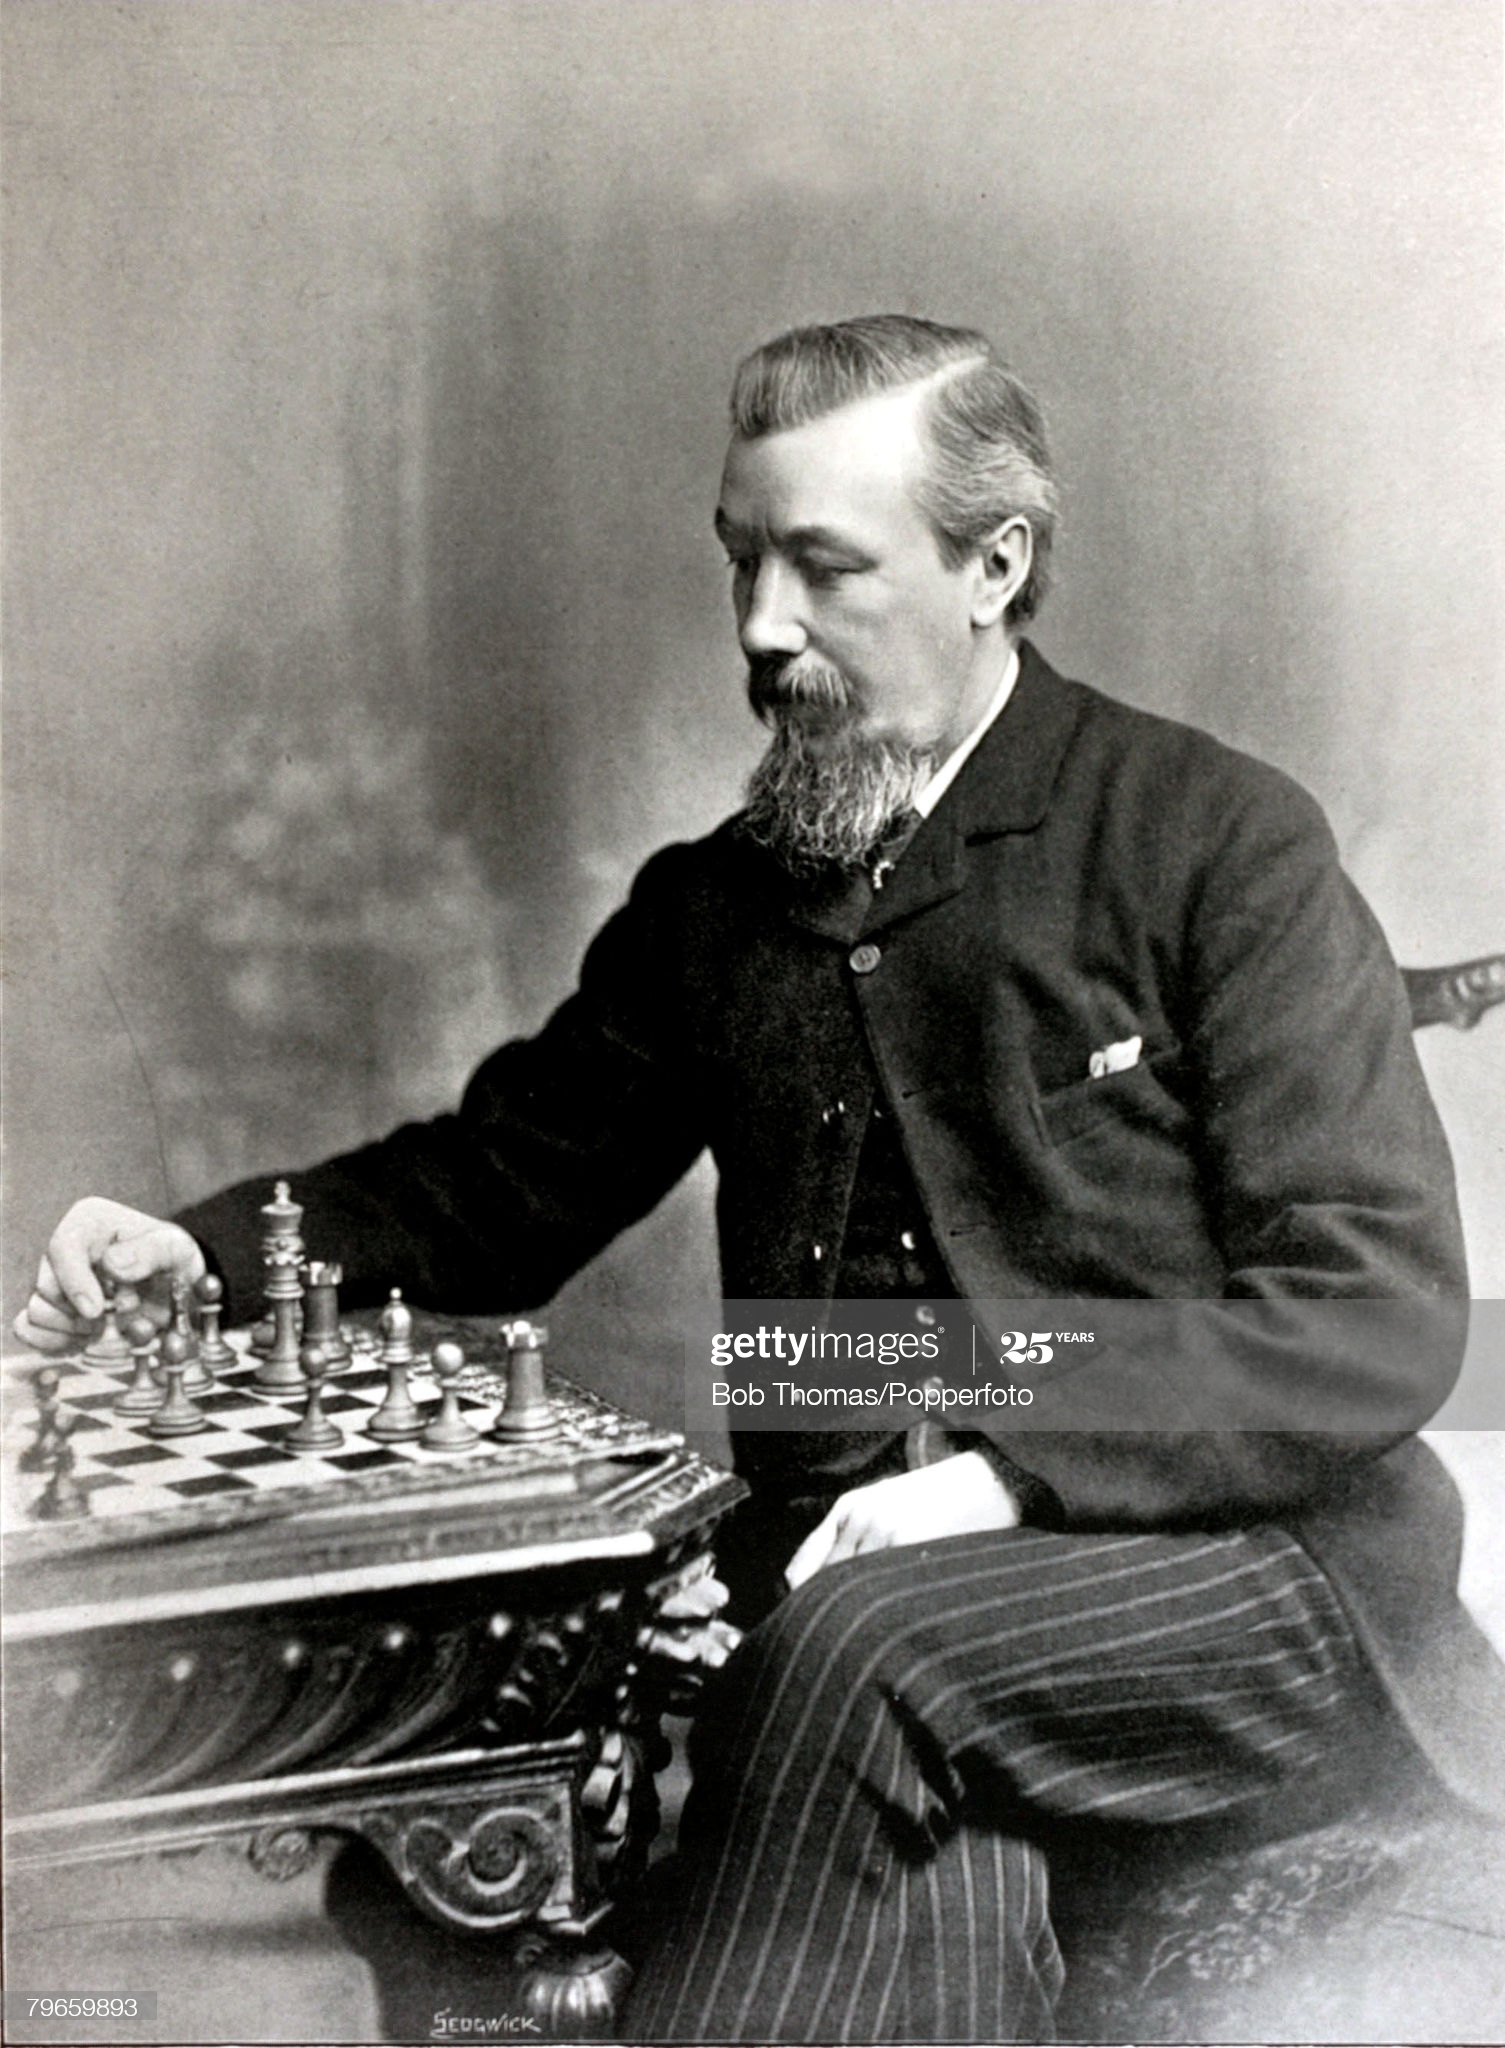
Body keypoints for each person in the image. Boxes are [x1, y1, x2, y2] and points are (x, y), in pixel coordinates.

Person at [17, 316, 1501, 2042]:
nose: (761, 630)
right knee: (921, 1866)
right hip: (862, 1635)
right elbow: (490, 1191)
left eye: (822, 568)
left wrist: (1006, 1470)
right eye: (740, 564)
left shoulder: (1216, 839)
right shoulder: (714, 907)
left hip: (1248, 1586)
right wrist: (197, 1259)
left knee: (869, 1646)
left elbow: (1370, 1323)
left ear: (991, 565)